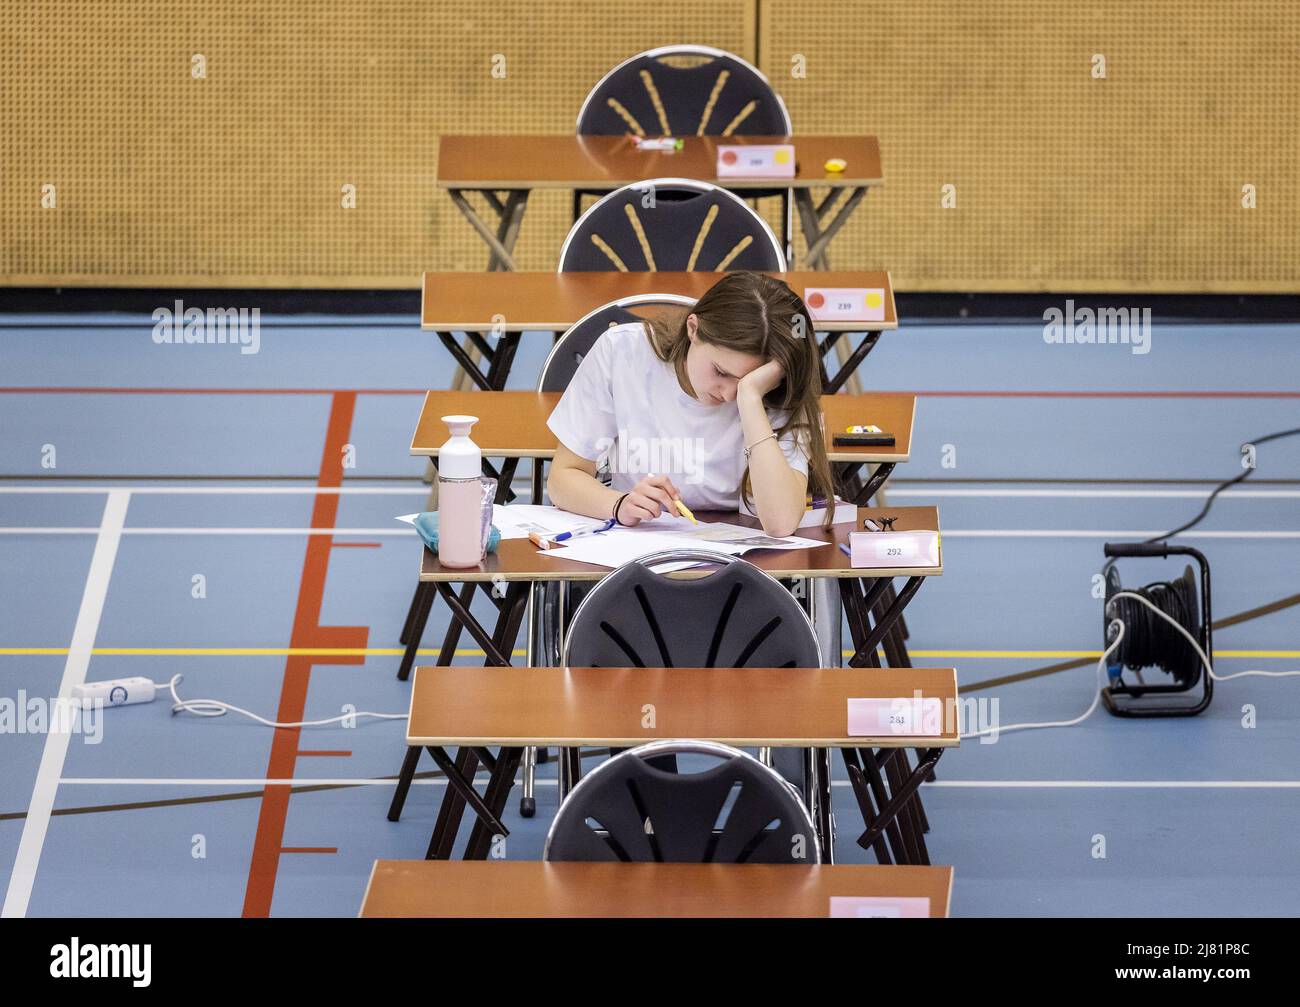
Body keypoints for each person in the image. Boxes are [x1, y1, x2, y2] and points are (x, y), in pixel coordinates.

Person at [546, 271, 835, 536]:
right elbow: (563, 479)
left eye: (748, 381)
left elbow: (781, 522)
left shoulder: (776, 391)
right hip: (637, 545)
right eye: (721, 372)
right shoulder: (621, 351)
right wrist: (620, 504)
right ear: (693, 329)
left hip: (745, 559)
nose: (729, 394)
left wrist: (752, 398)